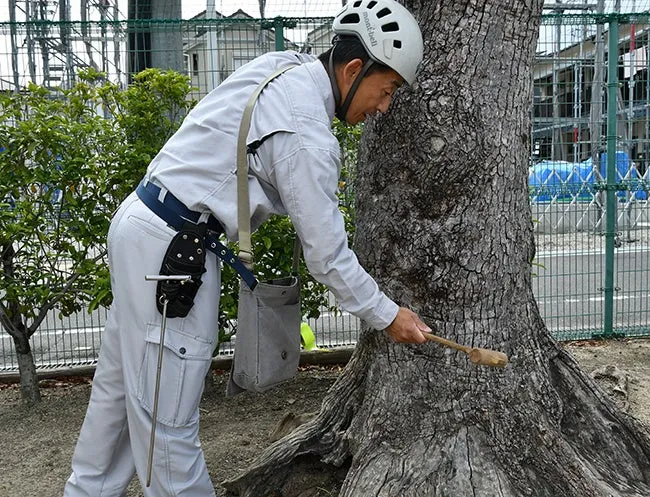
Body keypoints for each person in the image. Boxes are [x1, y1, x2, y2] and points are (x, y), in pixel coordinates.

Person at [63, 0, 430, 495]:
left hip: (148, 225)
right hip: (175, 252)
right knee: (167, 428)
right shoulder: (307, 134)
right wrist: (388, 314)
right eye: (385, 90)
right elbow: (327, 256)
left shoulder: (285, 67)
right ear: (353, 70)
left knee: (117, 396)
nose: (382, 108)